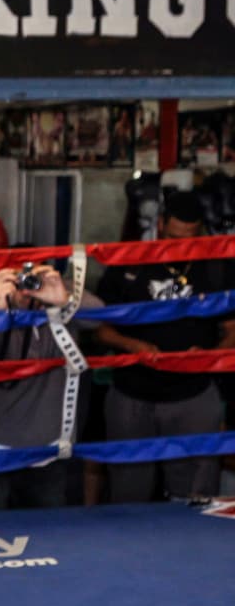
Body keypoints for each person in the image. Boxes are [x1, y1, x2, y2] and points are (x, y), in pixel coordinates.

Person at [95, 189, 235, 503]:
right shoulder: (129, 263)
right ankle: (130, 550)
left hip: (193, 393)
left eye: (190, 237)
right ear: (160, 225)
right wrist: (133, 345)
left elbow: (232, 328)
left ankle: (194, 550)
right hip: (133, 392)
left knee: (195, 496)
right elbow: (100, 330)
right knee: (129, 491)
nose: (182, 245)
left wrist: (210, 356)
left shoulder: (214, 267)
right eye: (174, 236)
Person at [0, 262, 104, 509]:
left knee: (47, 536)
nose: (26, 288)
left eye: (31, 278)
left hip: (46, 450)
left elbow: (100, 316)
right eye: (19, 279)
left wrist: (64, 297)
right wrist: (0, 312)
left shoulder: (61, 307)